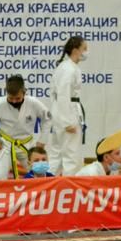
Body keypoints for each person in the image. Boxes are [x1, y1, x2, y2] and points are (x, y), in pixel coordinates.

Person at [0, 75, 51, 180]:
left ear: (24, 92)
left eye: (17, 98)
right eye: (11, 98)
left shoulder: (33, 103)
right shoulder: (0, 104)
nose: (14, 101)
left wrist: (42, 140)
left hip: (27, 143)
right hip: (5, 145)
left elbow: (47, 119)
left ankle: (40, 191)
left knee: (39, 173)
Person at [49, 36, 89, 176]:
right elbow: (63, 94)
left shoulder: (65, 67)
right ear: (75, 50)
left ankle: (50, 184)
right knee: (72, 156)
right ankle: (70, 186)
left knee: (57, 155)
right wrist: (67, 122)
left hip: (61, 111)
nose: (86, 51)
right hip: (68, 112)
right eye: (84, 48)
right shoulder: (68, 69)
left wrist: (60, 117)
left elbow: (56, 95)